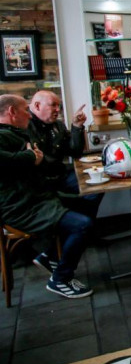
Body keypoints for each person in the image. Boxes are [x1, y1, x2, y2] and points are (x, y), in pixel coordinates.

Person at [0, 94, 93, 298]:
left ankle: (51, 256)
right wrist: (31, 156)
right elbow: (18, 160)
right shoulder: (8, 134)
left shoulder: (18, 132)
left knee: (88, 200)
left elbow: (70, 151)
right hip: (22, 206)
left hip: (38, 196)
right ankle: (61, 278)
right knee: (82, 224)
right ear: (12, 112)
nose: (29, 114)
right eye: (26, 109)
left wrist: (31, 156)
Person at [27, 90, 103, 218]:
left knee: (97, 182)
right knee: (79, 203)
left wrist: (77, 126)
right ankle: (81, 225)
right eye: (53, 105)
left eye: (59, 106)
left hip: (61, 175)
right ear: (37, 106)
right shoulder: (25, 126)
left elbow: (75, 152)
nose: (58, 110)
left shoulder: (58, 125)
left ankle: (84, 225)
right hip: (42, 182)